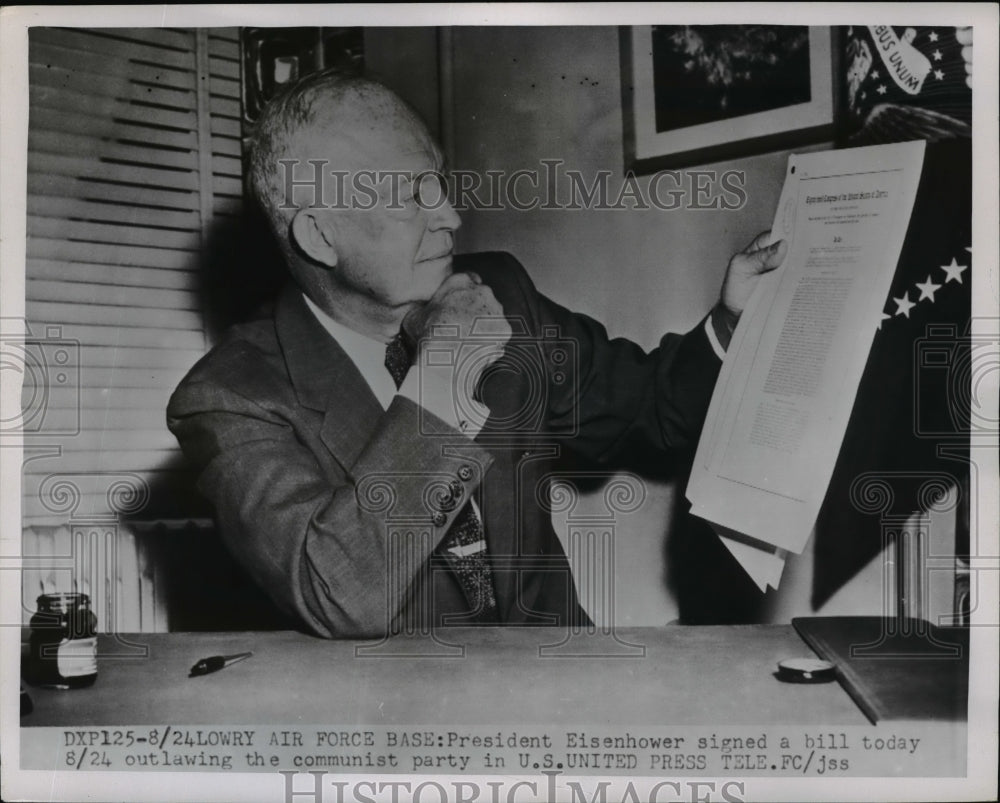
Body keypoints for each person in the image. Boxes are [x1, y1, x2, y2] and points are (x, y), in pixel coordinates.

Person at [167, 70, 786, 639]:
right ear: (319, 236)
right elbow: (338, 594)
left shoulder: (502, 296)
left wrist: (731, 323)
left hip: (566, 690)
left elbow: (652, 409)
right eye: (412, 196)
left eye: (437, 181)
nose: (452, 216)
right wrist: (440, 375)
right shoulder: (231, 398)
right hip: (401, 737)